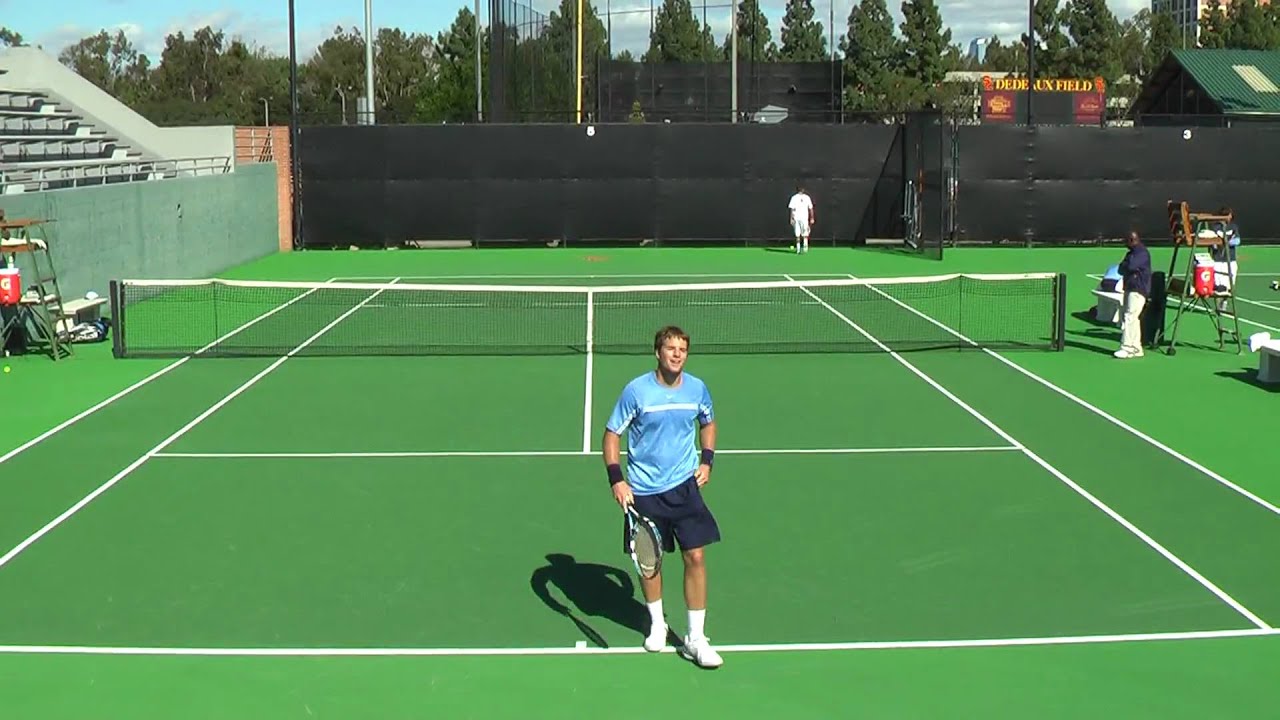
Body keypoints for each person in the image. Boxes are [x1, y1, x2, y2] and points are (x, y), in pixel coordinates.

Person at [603, 325, 723, 668]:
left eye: (682, 349)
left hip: (684, 488)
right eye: (670, 348)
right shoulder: (636, 392)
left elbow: (708, 422)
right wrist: (617, 480)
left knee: (696, 557)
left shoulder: (697, 388)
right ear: (658, 352)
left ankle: (695, 640)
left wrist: (707, 459)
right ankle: (658, 624)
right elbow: (612, 434)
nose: (676, 354)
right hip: (643, 490)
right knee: (649, 560)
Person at [1116, 230, 1151, 359]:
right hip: (1130, 288)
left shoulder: (1141, 253)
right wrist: (1126, 265)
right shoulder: (1131, 253)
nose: (1125, 243)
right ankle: (1136, 348)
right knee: (1132, 318)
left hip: (1138, 290)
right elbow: (1121, 269)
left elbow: (1130, 266)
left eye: (1126, 241)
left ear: (1132, 240)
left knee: (1130, 317)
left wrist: (1126, 265)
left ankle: (1127, 348)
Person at [787, 184, 815, 254]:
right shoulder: (794, 198)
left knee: (804, 234)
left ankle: (805, 247)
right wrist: (791, 218)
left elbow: (810, 208)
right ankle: (798, 249)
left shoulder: (807, 197)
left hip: (804, 218)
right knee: (798, 234)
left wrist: (812, 218)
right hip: (797, 218)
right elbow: (792, 209)